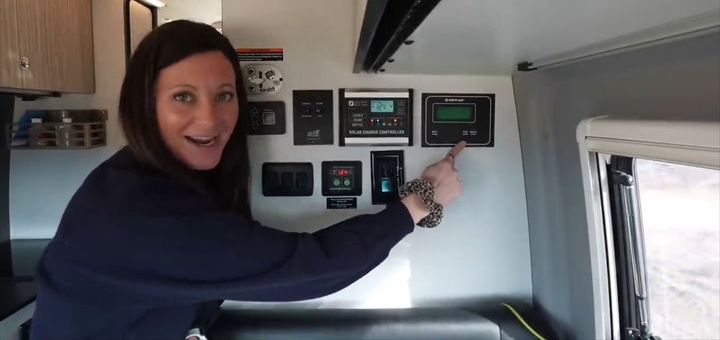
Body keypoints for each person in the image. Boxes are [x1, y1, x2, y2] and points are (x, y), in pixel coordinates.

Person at [29, 20, 464, 339]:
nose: (210, 118)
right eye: (183, 96)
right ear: (145, 105)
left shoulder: (149, 180)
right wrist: (419, 202)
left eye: (224, 95)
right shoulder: (138, 212)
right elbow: (309, 268)